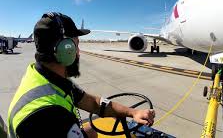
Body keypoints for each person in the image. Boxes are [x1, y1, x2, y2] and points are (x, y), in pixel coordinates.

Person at [7, 12, 155, 138]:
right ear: (66, 49)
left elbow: (93, 103)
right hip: (48, 126)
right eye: (76, 45)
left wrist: (133, 112)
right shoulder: (48, 115)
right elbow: (54, 120)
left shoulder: (44, 76)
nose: (78, 52)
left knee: (90, 130)